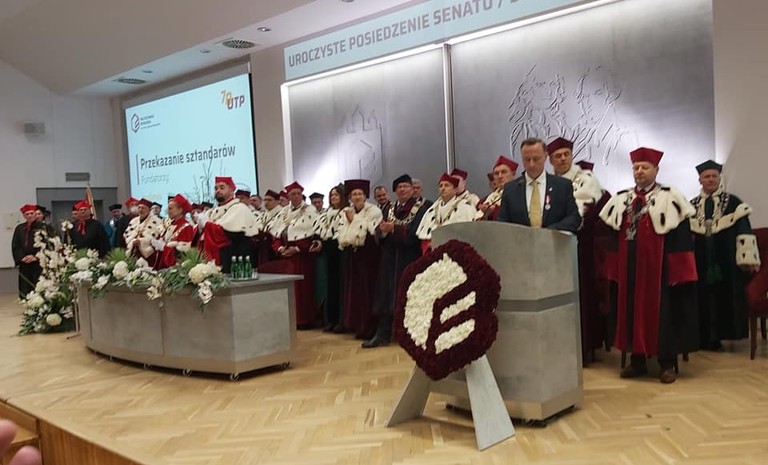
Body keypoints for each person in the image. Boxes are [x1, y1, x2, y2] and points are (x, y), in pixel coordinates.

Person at [599, 147, 699, 383]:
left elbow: (681, 238)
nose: (639, 171)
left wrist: (679, 271)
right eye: (636, 167)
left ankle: (666, 364)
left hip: (660, 271)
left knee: (665, 313)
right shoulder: (622, 199)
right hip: (630, 269)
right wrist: (613, 269)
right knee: (630, 311)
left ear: (656, 170)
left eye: (645, 167)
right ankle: (637, 361)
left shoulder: (670, 197)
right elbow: (612, 238)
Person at [549, 137, 613, 363]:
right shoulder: (547, 182)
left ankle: (583, 347)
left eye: (566, 154)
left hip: (580, 247)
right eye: (557, 156)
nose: (563, 159)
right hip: (551, 246)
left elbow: (584, 211)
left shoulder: (585, 179)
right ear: (551, 160)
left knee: (580, 296)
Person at [690, 160, 761, 351]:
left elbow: (744, 230)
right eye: (706, 176)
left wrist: (747, 259)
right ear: (700, 180)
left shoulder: (734, 203)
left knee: (724, 296)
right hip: (700, 259)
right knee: (702, 298)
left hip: (727, 258)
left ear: (719, 178)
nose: (710, 179)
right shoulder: (691, 206)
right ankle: (703, 337)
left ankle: (721, 336)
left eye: (714, 176)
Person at [364, 174, 429, 348]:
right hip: (389, 258)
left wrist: (394, 229)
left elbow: (416, 234)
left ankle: (409, 335)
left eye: (406, 186)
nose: (403, 190)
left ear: (412, 189)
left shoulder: (421, 209)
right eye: (399, 187)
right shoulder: (389, 209)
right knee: (386, 295)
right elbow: (379, 231)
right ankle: (383, 333)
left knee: (408, 295)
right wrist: (383, 231)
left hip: (409, 258)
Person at [498, 138, 581, 232]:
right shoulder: (511, 189)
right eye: (527, 160)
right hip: (520, 240)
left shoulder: (563, 186)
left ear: (545, 157)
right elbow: (502, 223)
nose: (531, 164)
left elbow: (574, 218)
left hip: (553, 239)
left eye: (536, 159)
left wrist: (549, 232)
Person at [271, 181, 322, 329]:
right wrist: (280, 248)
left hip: (302, 257)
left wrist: (297, 249)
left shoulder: (310, 211)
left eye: (298, 193)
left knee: (303, 289)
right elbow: (276, 235)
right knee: (289, 290)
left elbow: (312, 236)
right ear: (288, 196)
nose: (295, 196)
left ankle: (304, 320)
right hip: (286, 257)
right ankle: (291, 319)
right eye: (292, 194)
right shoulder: (284, 212)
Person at [339, 179, 383, 340]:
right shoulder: (347, 211)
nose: (357, 197)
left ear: (365, 196)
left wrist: (354, 221)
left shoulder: (374, 211)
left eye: (360, 194)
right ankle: (358, 325)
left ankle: (370, 327)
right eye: (354, 194)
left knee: (367, 291)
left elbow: (371, 231)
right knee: (355, 292)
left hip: (369, 255)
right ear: (350, 197)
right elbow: (342, 232)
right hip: (353, 255)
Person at [197, 177, 259, 273]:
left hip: (233, 258)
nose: (218, 191)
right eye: (216, 188)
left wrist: (207, 225)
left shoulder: (240, 208)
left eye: (222, 188)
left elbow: (228, 234)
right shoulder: (211, 212)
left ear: (231, 191)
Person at [416, 173, 476, 253]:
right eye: (441, 186)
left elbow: (464, 233)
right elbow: (425, 237)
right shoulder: (433, 208)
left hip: (454, 250)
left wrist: (441, 244)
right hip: (431, 250)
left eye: (446, 185)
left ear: (455, 189)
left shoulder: (465, 206)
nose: (443, 188)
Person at [315, 185, 347, 332]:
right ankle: (331, 319)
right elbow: (320, 231)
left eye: (336, 195)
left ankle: (341, 320)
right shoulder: (326, 214)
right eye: (332, 195)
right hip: (328, 251)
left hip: (341, 251)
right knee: (330, 286)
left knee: (340, 286)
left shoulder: (346, 212)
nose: (333, 197)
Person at [154, 194, 195, 269]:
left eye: (170, 208)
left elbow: (183, 253)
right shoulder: (169, 225)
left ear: (180, 210)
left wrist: (164, 248)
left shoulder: (187, 227)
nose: (168, 211)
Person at [12, 204, 43, 298]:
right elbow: (15, 245)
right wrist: (21, 257)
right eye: (27, 214)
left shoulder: (43, 227)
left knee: (39, 287)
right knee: (25, 288)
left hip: (38, 264)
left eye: (31, 213)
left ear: (35, 214)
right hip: (24, 264)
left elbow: (47, 245)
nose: (29, 216)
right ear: (24, 216)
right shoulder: (19, 228)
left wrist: (36, 257)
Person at [476, 155, 518, 221]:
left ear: (513, 174)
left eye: (504, 172)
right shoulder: (485, 199)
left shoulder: (519, 194)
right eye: (496, 173)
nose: (500, 176)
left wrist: (493, 212)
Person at [124, 198, 164, 264]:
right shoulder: (134, 221)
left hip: (149, 254)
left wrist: (142, 242)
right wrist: (133, 242)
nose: (140, 210)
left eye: (143, 208)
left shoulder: (157, 221)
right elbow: (127, 235)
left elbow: (159, 238)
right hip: (134, 252)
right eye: (139, 207)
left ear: (149, 210)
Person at [253, 190, 282, 266]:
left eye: (269, 200)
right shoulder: (263, 214)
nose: (266, 202)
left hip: (274, 247)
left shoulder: (282, 213)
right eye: (265, 200)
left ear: (277, 201)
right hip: (262, 246)